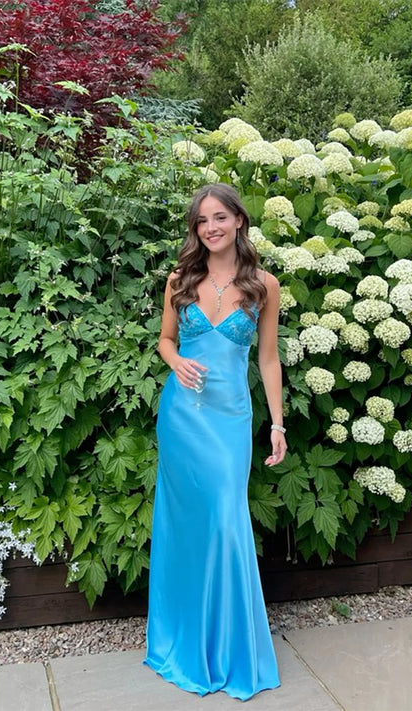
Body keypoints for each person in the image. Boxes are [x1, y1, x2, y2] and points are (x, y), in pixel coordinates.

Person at [144, 183, 287, 700]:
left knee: (227, 521)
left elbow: (267, 359)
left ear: (239, 220)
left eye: (220, 217)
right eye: (202, 220)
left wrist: (277, 425)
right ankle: (185, 640)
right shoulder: (180, 279)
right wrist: (175, 360)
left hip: (229, 423)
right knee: (188, 528)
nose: (211, 228)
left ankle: (230, 649)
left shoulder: (264, 285)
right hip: (182, 420)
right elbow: (165, 340)